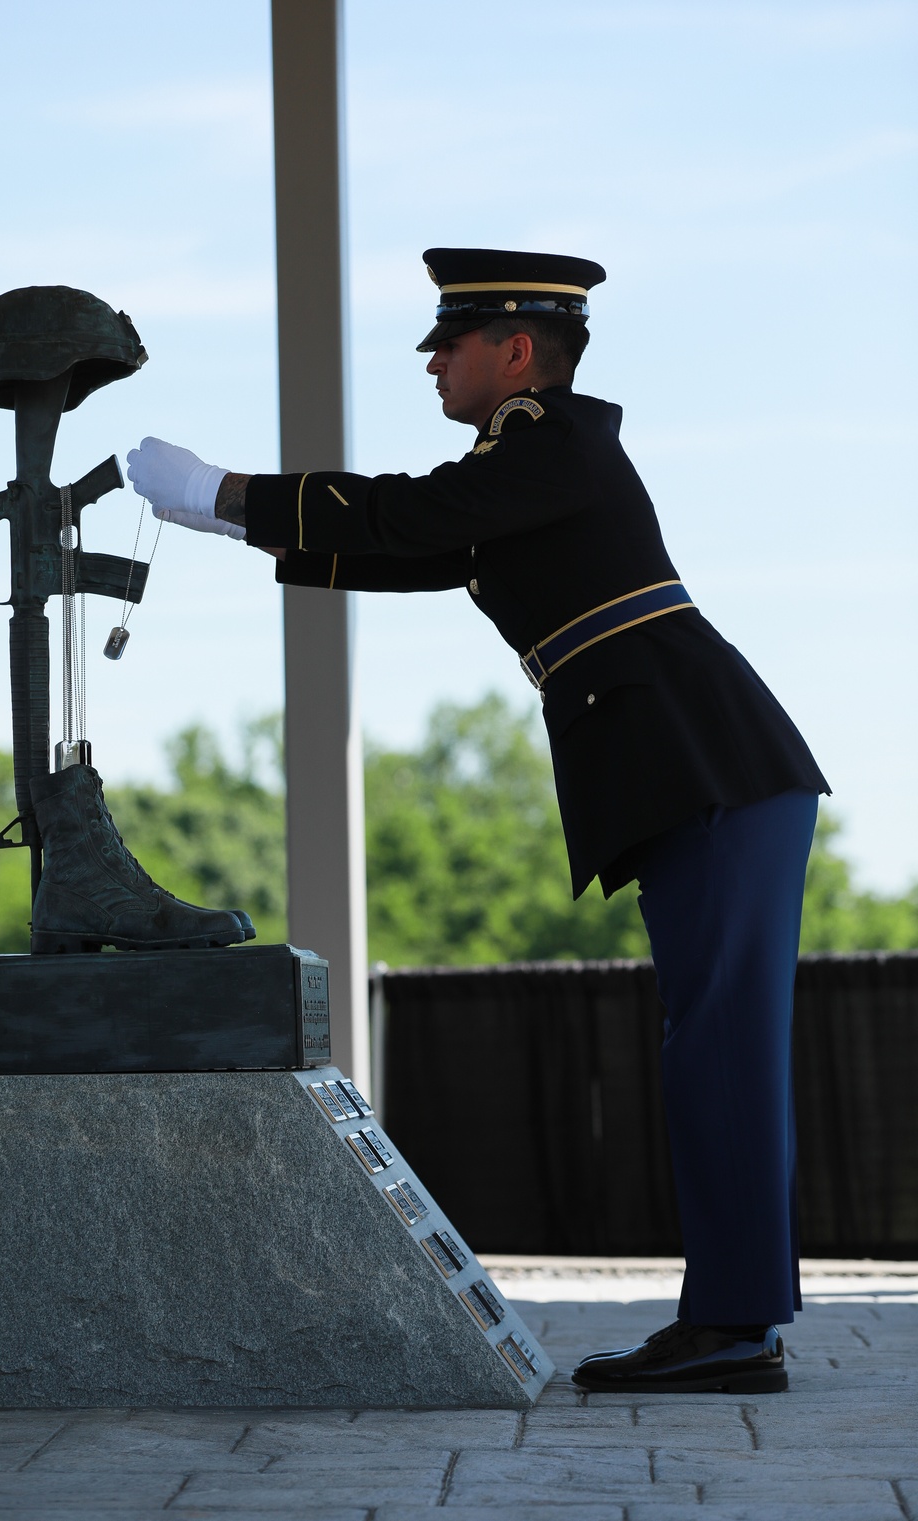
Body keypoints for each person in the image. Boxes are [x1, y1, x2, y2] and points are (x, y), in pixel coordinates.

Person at [127, 246, 829, 1394]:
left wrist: (229, 491)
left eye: (449, 345)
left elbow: (428, 514)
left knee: (721, 1050)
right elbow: (434, 546)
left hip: (713, 771)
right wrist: (237, 524)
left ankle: (737, 1326)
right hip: (695, 773)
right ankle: (735, 1317)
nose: (433, 363)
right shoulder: (532, 470)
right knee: (710, 1045)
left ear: (515, 353)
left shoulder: (551, 438)